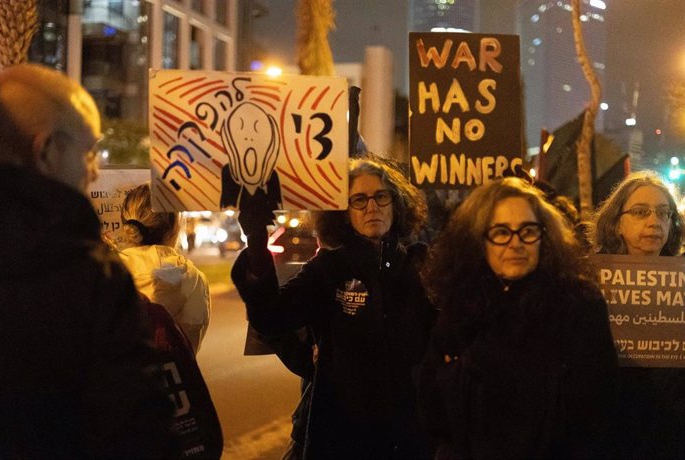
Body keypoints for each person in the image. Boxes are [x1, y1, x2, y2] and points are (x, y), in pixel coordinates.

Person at [0, 63, 177, 457]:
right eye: (89, 152)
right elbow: (136, 431)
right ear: (46, 150)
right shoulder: (91, 278)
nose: (93, 172)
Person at [232, 156, 436, 459]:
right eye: (359, 200)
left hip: (408, 437)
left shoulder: (419, 267)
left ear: (396, 203)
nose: (372, 206)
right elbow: (272, 318)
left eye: (381, 196)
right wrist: (257, 244)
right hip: (342, 438)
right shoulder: (329, 269)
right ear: (344, 212)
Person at [419, 177, 618, 459]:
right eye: (501, 232)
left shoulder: (579, 304)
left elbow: (597, 409)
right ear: (479, 239)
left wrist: (468, 371)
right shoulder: (461, 305)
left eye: (528, 231)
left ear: (544, 237)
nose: (516, 243)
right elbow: (433, 412)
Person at [589, 170, 684, 459]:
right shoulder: (589, 281)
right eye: (641, 212)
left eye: (663, 213)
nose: (654, 222)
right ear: (617, 223)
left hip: (671, 430)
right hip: (610, 426)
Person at [119, 183, 211, 353]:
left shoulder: (106, 274)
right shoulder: (196, 280)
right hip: (174, 377)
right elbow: (191, 345)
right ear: (175, 225)